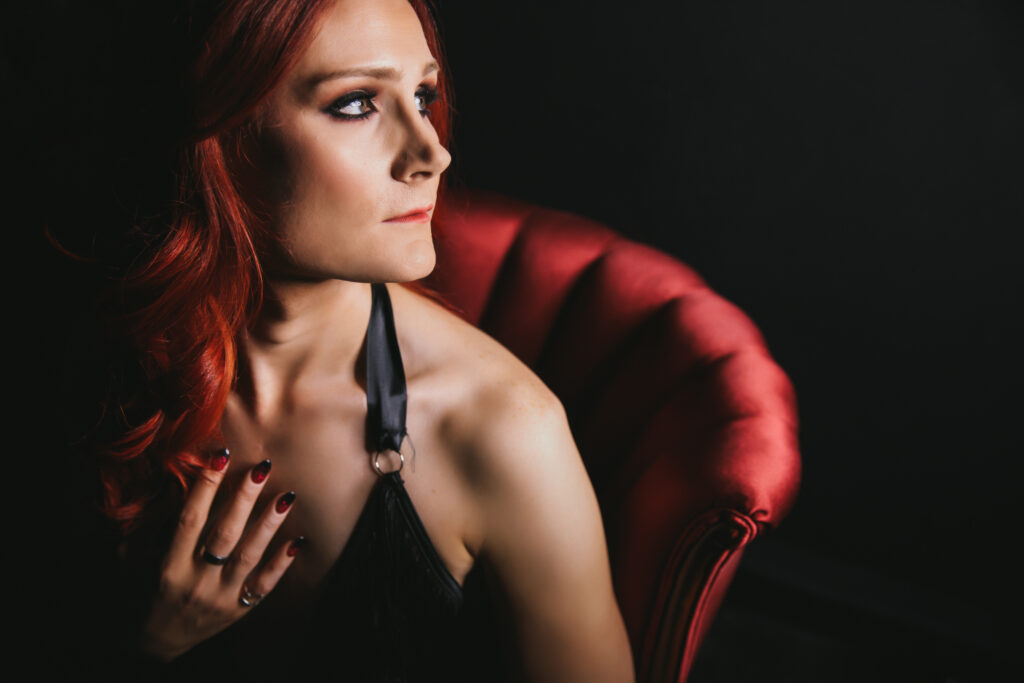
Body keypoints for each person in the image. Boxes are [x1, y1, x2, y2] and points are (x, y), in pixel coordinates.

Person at [54, 0, 636, 681]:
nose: (432, 152)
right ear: (219, 136)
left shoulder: (506, 431)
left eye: (423, 94)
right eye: (358, 103)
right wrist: (145, 648)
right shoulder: (85, 344)